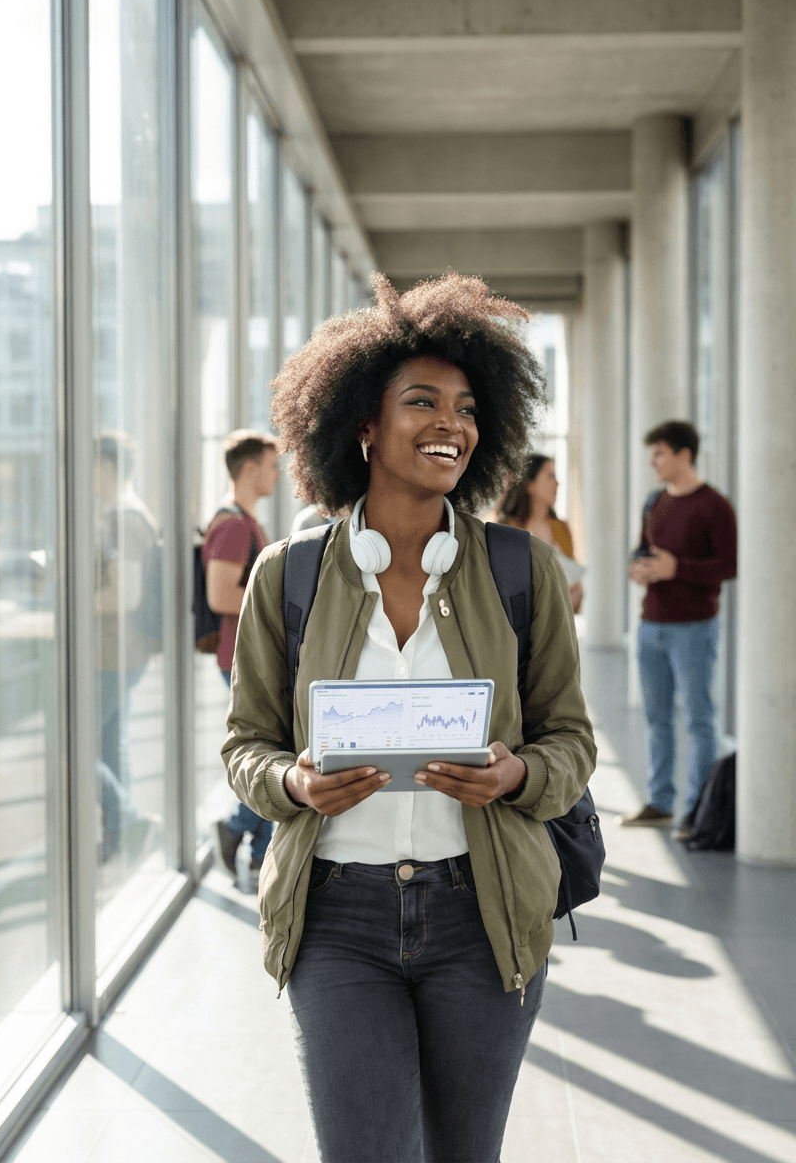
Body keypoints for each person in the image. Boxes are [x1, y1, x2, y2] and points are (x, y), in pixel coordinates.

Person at [222, 273, 596, 1163]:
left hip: (484, 907)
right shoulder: (289, 574)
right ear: (361, 422)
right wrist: (291, 781)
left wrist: (515, 775)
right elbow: (245, 746)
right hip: (337, 918)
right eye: (421, 401)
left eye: (467, 408)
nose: (452, 424)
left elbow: (572, 743)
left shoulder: (522, 570)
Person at [620, 420, 737, 838]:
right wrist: (639, 567)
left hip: (693, 628)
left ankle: (696, 812)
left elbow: (729, 565)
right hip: (650, 626)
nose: (653, 461)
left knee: (700, 721)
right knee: (657, 719)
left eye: (659, 453)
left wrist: (677, 569)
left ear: (684, 455)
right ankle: (660, 802)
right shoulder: (654, 501)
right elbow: (642, 547)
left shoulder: (714, 506)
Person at [205, 430, 280, 879]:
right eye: (272, 465)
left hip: (245, 655)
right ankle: (254, 849)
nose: (277, 474)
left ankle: (242, 834)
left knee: (274, 751)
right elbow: (220, 595)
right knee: (271, 752)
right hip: (239, 658)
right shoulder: (234, 525)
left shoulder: (246, 521)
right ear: (250, 468)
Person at [95, 431, 161, 864]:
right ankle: (120, 832)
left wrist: (68, 601)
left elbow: (124, 594)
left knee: (77, 745)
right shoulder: (134, 516)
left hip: (112, 651)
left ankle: (132, 820)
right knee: (109, 741)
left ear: (107, 469)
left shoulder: (123, 520)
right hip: (121, 651)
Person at [500, 453, 584, 613]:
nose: (557, 483)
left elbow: (573, 585)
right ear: (529, 484)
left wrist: (575, 594)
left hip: (556, 622)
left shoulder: (562, 529)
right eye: (550, 476)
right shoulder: (507, 528)